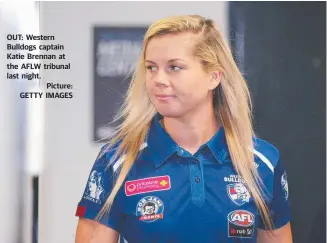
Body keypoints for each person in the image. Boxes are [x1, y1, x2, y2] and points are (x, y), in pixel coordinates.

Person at [74, 15, 293, 243]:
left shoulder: (263, 162)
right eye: (151, 67)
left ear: (213, 76)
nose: (158, 79)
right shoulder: (117, 161)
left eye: (174, 67)